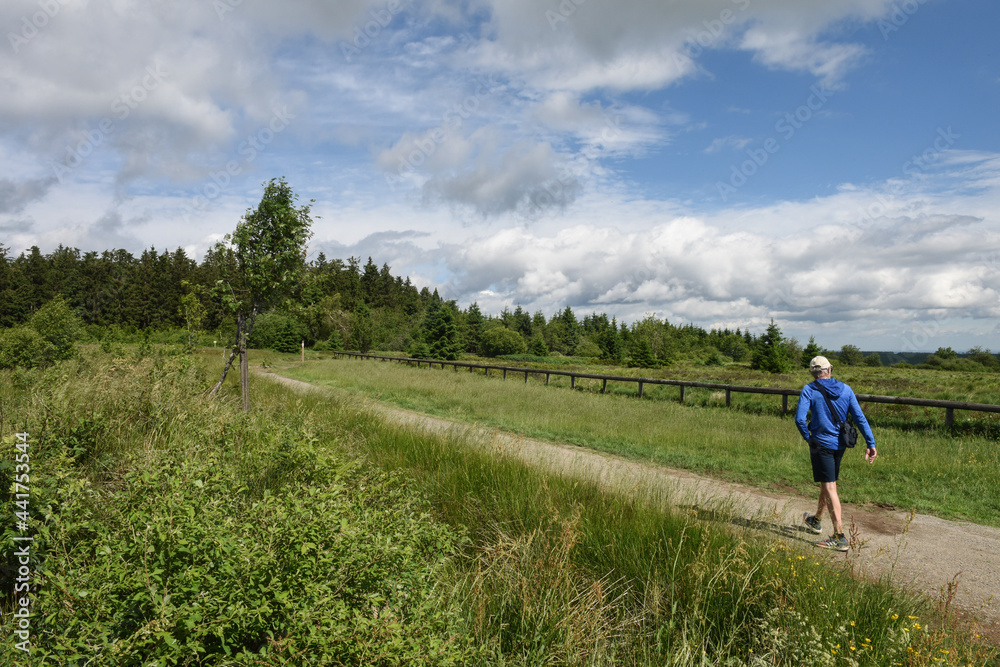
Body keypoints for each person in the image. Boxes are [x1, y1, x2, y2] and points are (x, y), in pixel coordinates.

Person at [794, 355, 877, 551]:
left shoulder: (809, 389)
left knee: (830, 486)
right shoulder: (846, 389)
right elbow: (859, 417)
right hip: (840, 445)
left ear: (812, 373)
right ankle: (816, 520)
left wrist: (809, 438)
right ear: (829, 370)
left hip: (821, 445)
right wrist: (870, 442)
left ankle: (839, 536)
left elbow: (799, 419)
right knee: (828, 481)